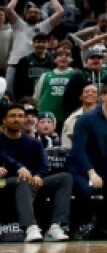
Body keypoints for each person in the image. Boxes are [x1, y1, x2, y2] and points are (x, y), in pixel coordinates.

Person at [66, 80, 107, 238]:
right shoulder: (85, 119)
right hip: (81, 166)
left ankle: (102, 227)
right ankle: (74, 227)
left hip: (104, 166)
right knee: (86, 189)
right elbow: (78, 149)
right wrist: (91, 173)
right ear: (103, 96)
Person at [0, 100, 73, 242]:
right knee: (22, 180)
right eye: (12, 116)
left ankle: (56, 226)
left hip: (30, 183)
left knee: (65, 178)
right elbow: (4, 156)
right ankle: (30, 227)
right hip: (3, 183)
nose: (17, 119)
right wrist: (19, 168)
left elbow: (44, 164)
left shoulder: (33, 142)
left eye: (20, 116)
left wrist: (39, 175)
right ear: (4, 119)